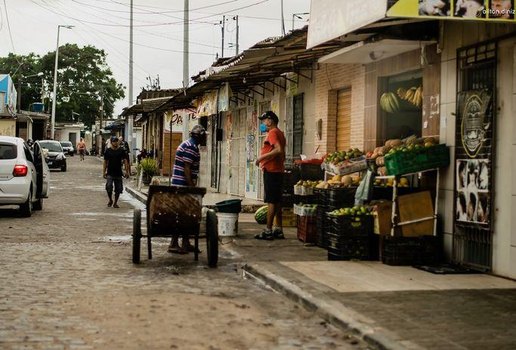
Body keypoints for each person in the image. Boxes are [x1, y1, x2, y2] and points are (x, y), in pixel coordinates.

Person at [168, 125, 207, 254]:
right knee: (181, 214)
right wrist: (191, 187)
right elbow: (187, 168)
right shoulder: (190, 147)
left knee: (186, 215)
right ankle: (173, 243)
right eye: (204, 135)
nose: (205, 138)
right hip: (182, 185)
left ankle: (185, 242)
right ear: (199, 136)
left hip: (180, 183)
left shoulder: (189, 144)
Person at [254, 111, 286, 240]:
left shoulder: (273, 133)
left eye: (264, 120)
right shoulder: (280, 133)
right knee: (277, 200)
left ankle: (268, 230)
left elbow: (279, 150)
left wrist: (260, 158)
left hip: (272, 170)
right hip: (278, 170)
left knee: (271, 201)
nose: (263, 123)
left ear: (270, 120)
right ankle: (278, 229)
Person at [103, 136, 130, 208]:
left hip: (118, 172)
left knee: (118, 189)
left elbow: (125, 161)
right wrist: (103, 172)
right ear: (111, 142)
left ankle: (115, 202)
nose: (115, 143)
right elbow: (105, 162)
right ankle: (110, 199)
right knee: (109, 186)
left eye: (116, 141)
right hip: (110, 172)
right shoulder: (108, 151)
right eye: (114, 141)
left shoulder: (121, 150)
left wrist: (127, 171)